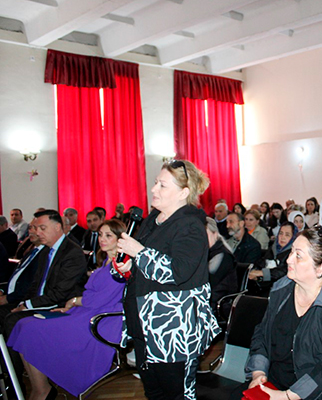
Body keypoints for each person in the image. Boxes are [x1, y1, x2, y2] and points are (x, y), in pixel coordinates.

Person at [115, 160, 220, 400]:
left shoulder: (191, 225)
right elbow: (149, 263)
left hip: (173, 330)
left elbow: (177, 273)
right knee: (154, 393)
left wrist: (139, 252)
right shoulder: (154, 219)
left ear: (183, 193)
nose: (154, 189)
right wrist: (130, 265)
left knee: (176, 395)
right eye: (155, 183)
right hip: (145, 324)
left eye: (162, 185)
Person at [236, 226, 322, 400]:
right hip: (278, 381)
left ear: (321, 268)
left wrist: (288, 396)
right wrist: (258, 372)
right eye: (291, 252)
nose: (289, 260)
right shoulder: (281, 291)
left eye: (298, 256)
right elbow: (262, 334)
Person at [8, 219, 127, 399]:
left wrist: (73, 301)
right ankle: (40, 387)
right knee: (23, 325)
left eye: (108, 235)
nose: (102, 239)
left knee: (29, 329)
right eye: (100, 235)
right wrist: (70, 307)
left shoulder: (120, 265)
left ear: (120, 239)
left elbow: (98, 300)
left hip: (102, 319)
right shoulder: (107, 262)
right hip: (87, 311)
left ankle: (41, 390)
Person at [0, 219, 44, 306]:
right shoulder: (31, 252)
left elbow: (30, 286)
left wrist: (7, 298)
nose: (31, 231)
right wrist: (2, 290)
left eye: (35, 228)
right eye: (30, 228)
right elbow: (15, 278)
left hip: (20, 300)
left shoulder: (45, 255)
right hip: (9, 294)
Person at [248, 222, 298, 293]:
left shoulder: (293, 253)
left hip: (283, 290)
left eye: (287, 235)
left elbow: (283, 271)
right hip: (265, 287)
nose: (283, 237)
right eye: (281, 233)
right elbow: (261, 262)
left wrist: (261, 273)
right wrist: (255, 271)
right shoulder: (273, 248)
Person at [206, 218, 236, 310]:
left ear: (215, 234)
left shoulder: (222, 255)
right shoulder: (208, 252)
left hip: (218, 302)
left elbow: (210, 282)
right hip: (210, 297)